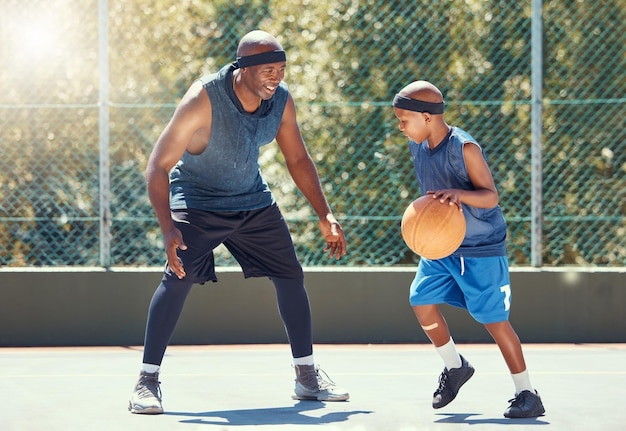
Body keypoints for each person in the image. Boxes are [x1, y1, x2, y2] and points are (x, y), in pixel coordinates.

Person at [128, 30, 349, 414]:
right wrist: (168, 226)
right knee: (179, 274)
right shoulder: (203, 99)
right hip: (197, 199)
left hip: (251, 199)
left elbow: (298, 159)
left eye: (281, 69)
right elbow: (158, 165)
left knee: (291, 275)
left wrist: (324, 213)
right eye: (268, 69)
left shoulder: (280, 102)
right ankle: (146, 381)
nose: (276, 77)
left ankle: (306, 376)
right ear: (242, 69)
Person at [391, 80, 545, 418]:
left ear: (427, 117)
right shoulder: (418, 146)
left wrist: (459, 195)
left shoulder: (464, 148)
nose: (400, 127)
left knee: (494, 321)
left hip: (479, 249)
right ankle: (456, 366)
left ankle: (527, 393)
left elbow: (490, 196)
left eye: (404, 120)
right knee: (421, 302)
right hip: (442, 247)